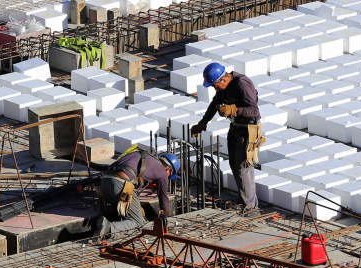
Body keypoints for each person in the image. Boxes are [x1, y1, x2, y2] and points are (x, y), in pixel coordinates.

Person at [190, 63, 261, 214]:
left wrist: (234, 109)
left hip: (249, 129)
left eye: (215, 86)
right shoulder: (224, 88)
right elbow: (214, 103)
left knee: (243, 167)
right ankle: (244, 200)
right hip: (236, 127)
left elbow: (254, 110)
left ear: (223, 80)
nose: (215, 89)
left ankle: (250, 208)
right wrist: (203, 122)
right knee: (234, 164)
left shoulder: (242, 84)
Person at [101, 150, 179, 222]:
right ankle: (108, 228)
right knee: (137, 222)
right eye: (169, 175)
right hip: (121, 183)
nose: (167, 177)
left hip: (104, 181)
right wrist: (168, 217)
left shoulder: (146, 157)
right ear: (168, 169)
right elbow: (163, 198)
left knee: (120, 213)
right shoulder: (163, 172)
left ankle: (109, 226)